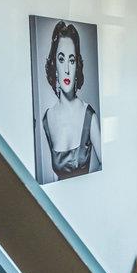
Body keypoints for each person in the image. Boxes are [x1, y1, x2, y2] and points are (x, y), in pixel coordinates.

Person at [42, 21, 101, 181]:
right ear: (54, 65)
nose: (67, 69)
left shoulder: (89, 116)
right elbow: (54, 177)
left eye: (72, 60)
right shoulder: (47, 118)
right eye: (61, 59)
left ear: (77, 66)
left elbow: (108, 166)